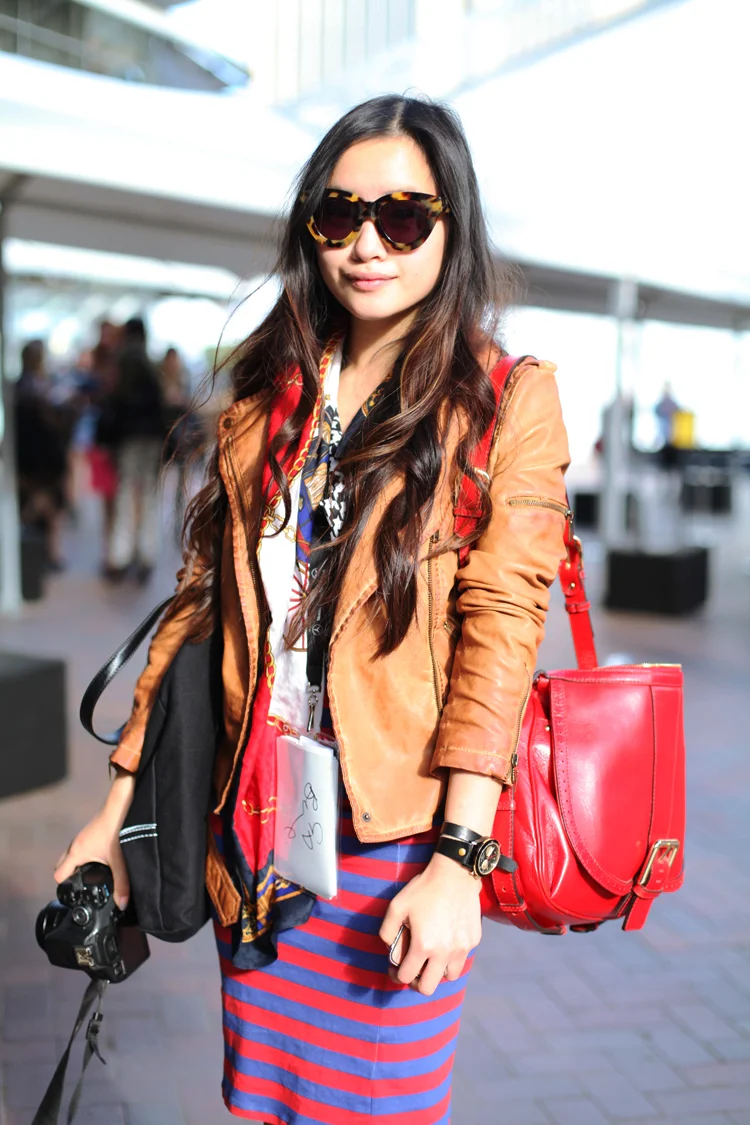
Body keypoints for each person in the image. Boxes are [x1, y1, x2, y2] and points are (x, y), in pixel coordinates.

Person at [55, 95, 570, 1123]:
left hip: (398, 844)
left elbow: (502, 639)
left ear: (452, 226)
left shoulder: (505, 400)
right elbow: (194, 621)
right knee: (264, 1106)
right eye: (340, 215)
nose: (367, 244)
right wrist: (113, 821)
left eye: (404, 218)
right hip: (259, 835)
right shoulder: (269, 399)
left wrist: (459, 863)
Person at [103, 317, 167, 584]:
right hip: (151, 437)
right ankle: (146, 554)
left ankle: (120, 556)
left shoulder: (124, 359)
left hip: (129, 437)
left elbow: (114, 398)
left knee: (126, 494)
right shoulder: (150, 362)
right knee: (148, 495)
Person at [14, 339, 69, 570]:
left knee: (36, 502)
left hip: (28, 458)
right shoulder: (41, 389)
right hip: (43, 458)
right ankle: (51, 553)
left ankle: (44, 552)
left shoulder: (19, 387)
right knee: (47, 504)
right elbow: (50, 426)